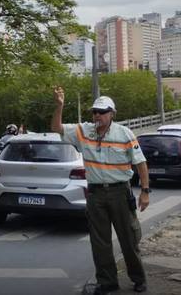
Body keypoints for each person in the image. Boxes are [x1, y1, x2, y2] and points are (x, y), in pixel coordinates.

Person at [51, 87, 150, 295]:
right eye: (94, 111)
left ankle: (138, 278)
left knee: (129, 239)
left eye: (102, 111)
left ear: (112, 113)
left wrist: (145, 191)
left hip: (120, 193)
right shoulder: (84, 131)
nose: (97, 115)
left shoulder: (124, 134)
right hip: (96, 195)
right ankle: (107, 282)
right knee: (100, 243)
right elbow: (57, 128)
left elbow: (140, 163)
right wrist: (59, 106)